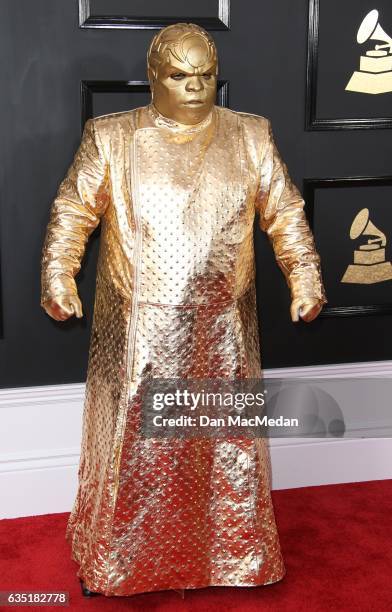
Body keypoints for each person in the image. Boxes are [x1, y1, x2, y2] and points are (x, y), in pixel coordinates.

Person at [40, 22, 327, 598]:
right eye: (179, 76)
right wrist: (58, 275)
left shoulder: (249, 135)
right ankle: (121, 562)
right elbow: (73, 212)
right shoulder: (112, 137)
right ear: (153, 78)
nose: (195, 88)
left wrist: (305, 274)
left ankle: (234, 555)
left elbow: (285, 212)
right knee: (138, 450)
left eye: (205, 77)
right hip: (140, 326)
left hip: (223, 325)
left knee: (226, 444)